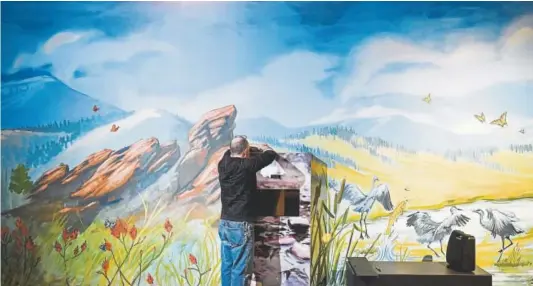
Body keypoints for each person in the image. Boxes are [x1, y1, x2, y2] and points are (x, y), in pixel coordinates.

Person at [217, 136, 278, 286]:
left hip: (225, 223)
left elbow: (228, 151)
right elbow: (270, 154)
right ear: (245, 152)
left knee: (227, 267)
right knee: (240, 270)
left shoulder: (222, 163)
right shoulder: (247, 165)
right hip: (240, 225)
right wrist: (262, 146)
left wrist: (244, 146)